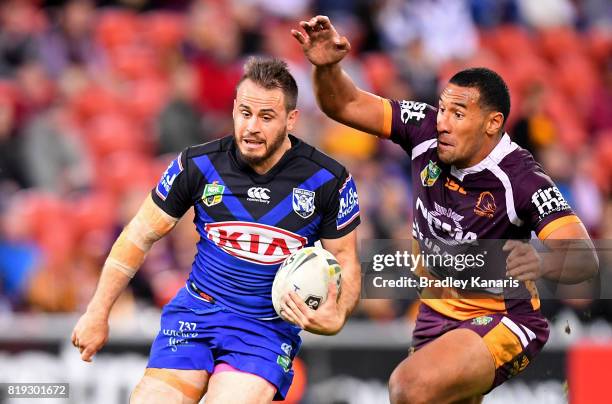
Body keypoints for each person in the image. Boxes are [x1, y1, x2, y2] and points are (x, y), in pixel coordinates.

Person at [293, 16, 599, 404]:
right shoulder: (422, 129)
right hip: (435, 316)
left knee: (409, 387)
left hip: (504, 320)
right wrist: (326, 67)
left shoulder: (521, 178)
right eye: (441, 109)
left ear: (493, 124)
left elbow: (585, 259)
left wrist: (540, 263)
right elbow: (346, 103)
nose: (442, 123)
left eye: (458, 113)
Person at [71, 56, 362, 404]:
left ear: (291, 119)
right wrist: (97, 312)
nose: (251, 127)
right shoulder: (198, 164)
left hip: (264, 329)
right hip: (196, 312)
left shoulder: (327, 179)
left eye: (266, 117)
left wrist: (338, 313)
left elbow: (345, 259)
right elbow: (138, 235)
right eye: (244, 112)